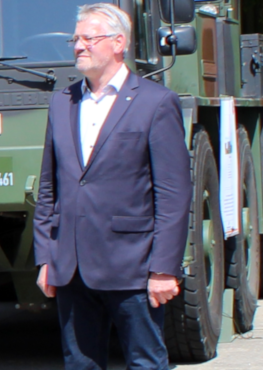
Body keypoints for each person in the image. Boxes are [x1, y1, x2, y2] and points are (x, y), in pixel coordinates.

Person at [32, 3, 191, 369]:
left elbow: (172, 194)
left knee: (146, 362)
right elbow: (48, 187)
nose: (78, 46)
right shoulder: (62, 102)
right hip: (71, 268)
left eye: (89, 38)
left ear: (119, 43)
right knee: (81, 364)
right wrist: (46, 257)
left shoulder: (155, 103)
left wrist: (164, 268)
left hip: (132, 266)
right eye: (76, 39)